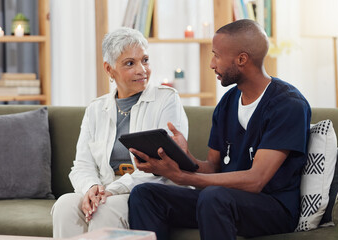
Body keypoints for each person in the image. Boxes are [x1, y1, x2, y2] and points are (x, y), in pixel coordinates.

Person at [127, 19, 311, 240]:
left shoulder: (288, 104)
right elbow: (213, 167)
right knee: (145, 194)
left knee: (214, 197)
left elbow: (256, 180)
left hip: (273, 207)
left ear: (241, 59)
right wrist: (184, 159)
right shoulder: (227, 102)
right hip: (222, 201)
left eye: (216, 55)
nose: (212, 64)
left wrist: (185, 178)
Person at [51, 27, 188, 238]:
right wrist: (92, 187)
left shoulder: (167, 100)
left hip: (143, 190)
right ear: (109, 69)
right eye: (130, 63)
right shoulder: (95, 109)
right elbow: (82, 165)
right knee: (64, 206)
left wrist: (110, 190)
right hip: (104, 189)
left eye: (145, 60)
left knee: (104, 209)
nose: (142, 69)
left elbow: (163, 166)